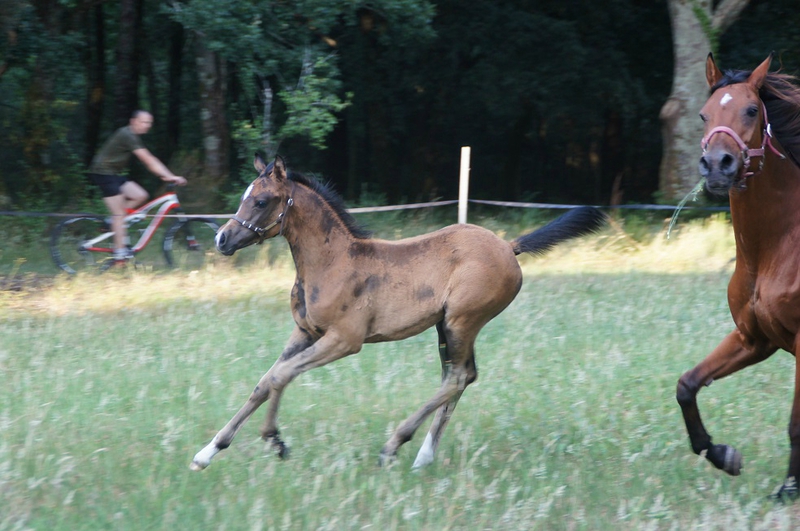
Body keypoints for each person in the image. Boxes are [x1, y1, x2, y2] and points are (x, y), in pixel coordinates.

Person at [87, 110, 187, 263]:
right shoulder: (127, 134)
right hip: (103, 173)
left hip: (113, 173)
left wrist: (167, 176)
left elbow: (149, 159)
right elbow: (148, 159)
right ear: (133, 121)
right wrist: (169, 176)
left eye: (149, 123)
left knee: (140, 195)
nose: (147, 126)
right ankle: (120, 257)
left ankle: (112, 223)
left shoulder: (132, 135)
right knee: (119, 214)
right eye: (143, 122)